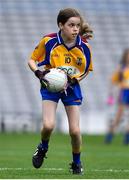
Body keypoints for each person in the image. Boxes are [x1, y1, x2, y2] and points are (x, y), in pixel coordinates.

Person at [28, 8, 93, 174]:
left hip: (71, 88)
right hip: (50, 86)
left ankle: (77, 163)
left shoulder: (84, 46)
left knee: (75, 131)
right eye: (71, 25)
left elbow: (85, 70)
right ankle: (43, 147)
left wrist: (72, 80)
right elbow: (32, 60)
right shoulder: (49, 41)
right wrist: (39, 72)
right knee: (48, 125)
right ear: (61, 25)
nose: (76, 29)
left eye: (78, 25)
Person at [105, 49, 129, 145]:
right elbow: (113, 81)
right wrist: (111, 94)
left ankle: (127, 139)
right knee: (118, 117)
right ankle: (109, 136)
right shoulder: (121, 68)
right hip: (124, 92)